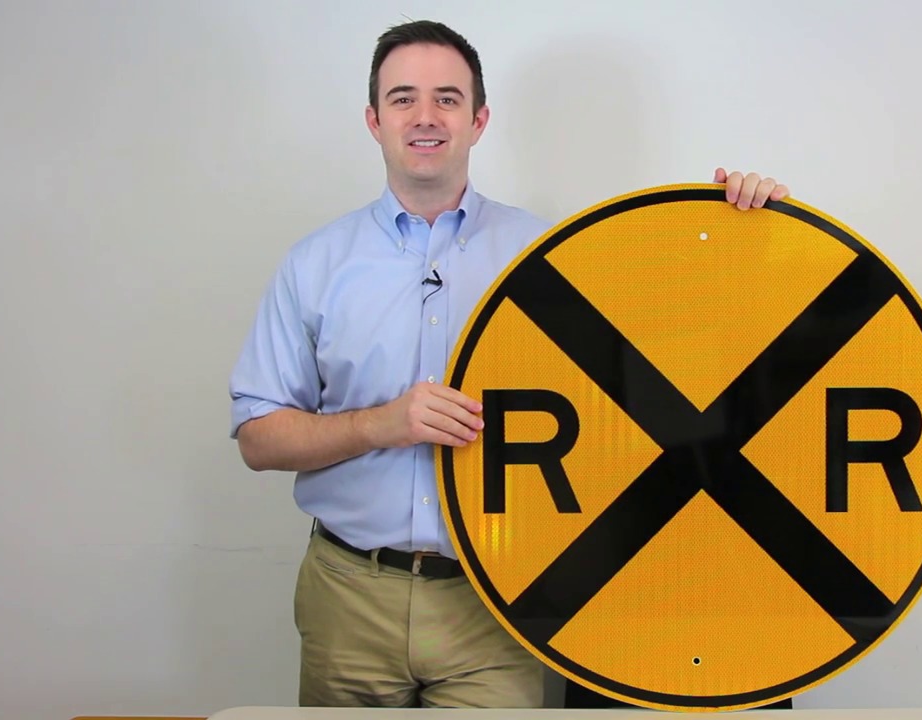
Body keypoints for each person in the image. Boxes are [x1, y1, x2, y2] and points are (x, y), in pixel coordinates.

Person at [228, 18, 792, 710]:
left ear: (479, 119)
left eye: (447, 98)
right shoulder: (314, 264)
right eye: (403, 99)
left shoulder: (545, 256)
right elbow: (258, 438)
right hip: (349, 596)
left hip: (498, 600)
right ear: (374, 120)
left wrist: (749, 234)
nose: (426, 116)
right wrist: (380, 424)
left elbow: (672, 368)